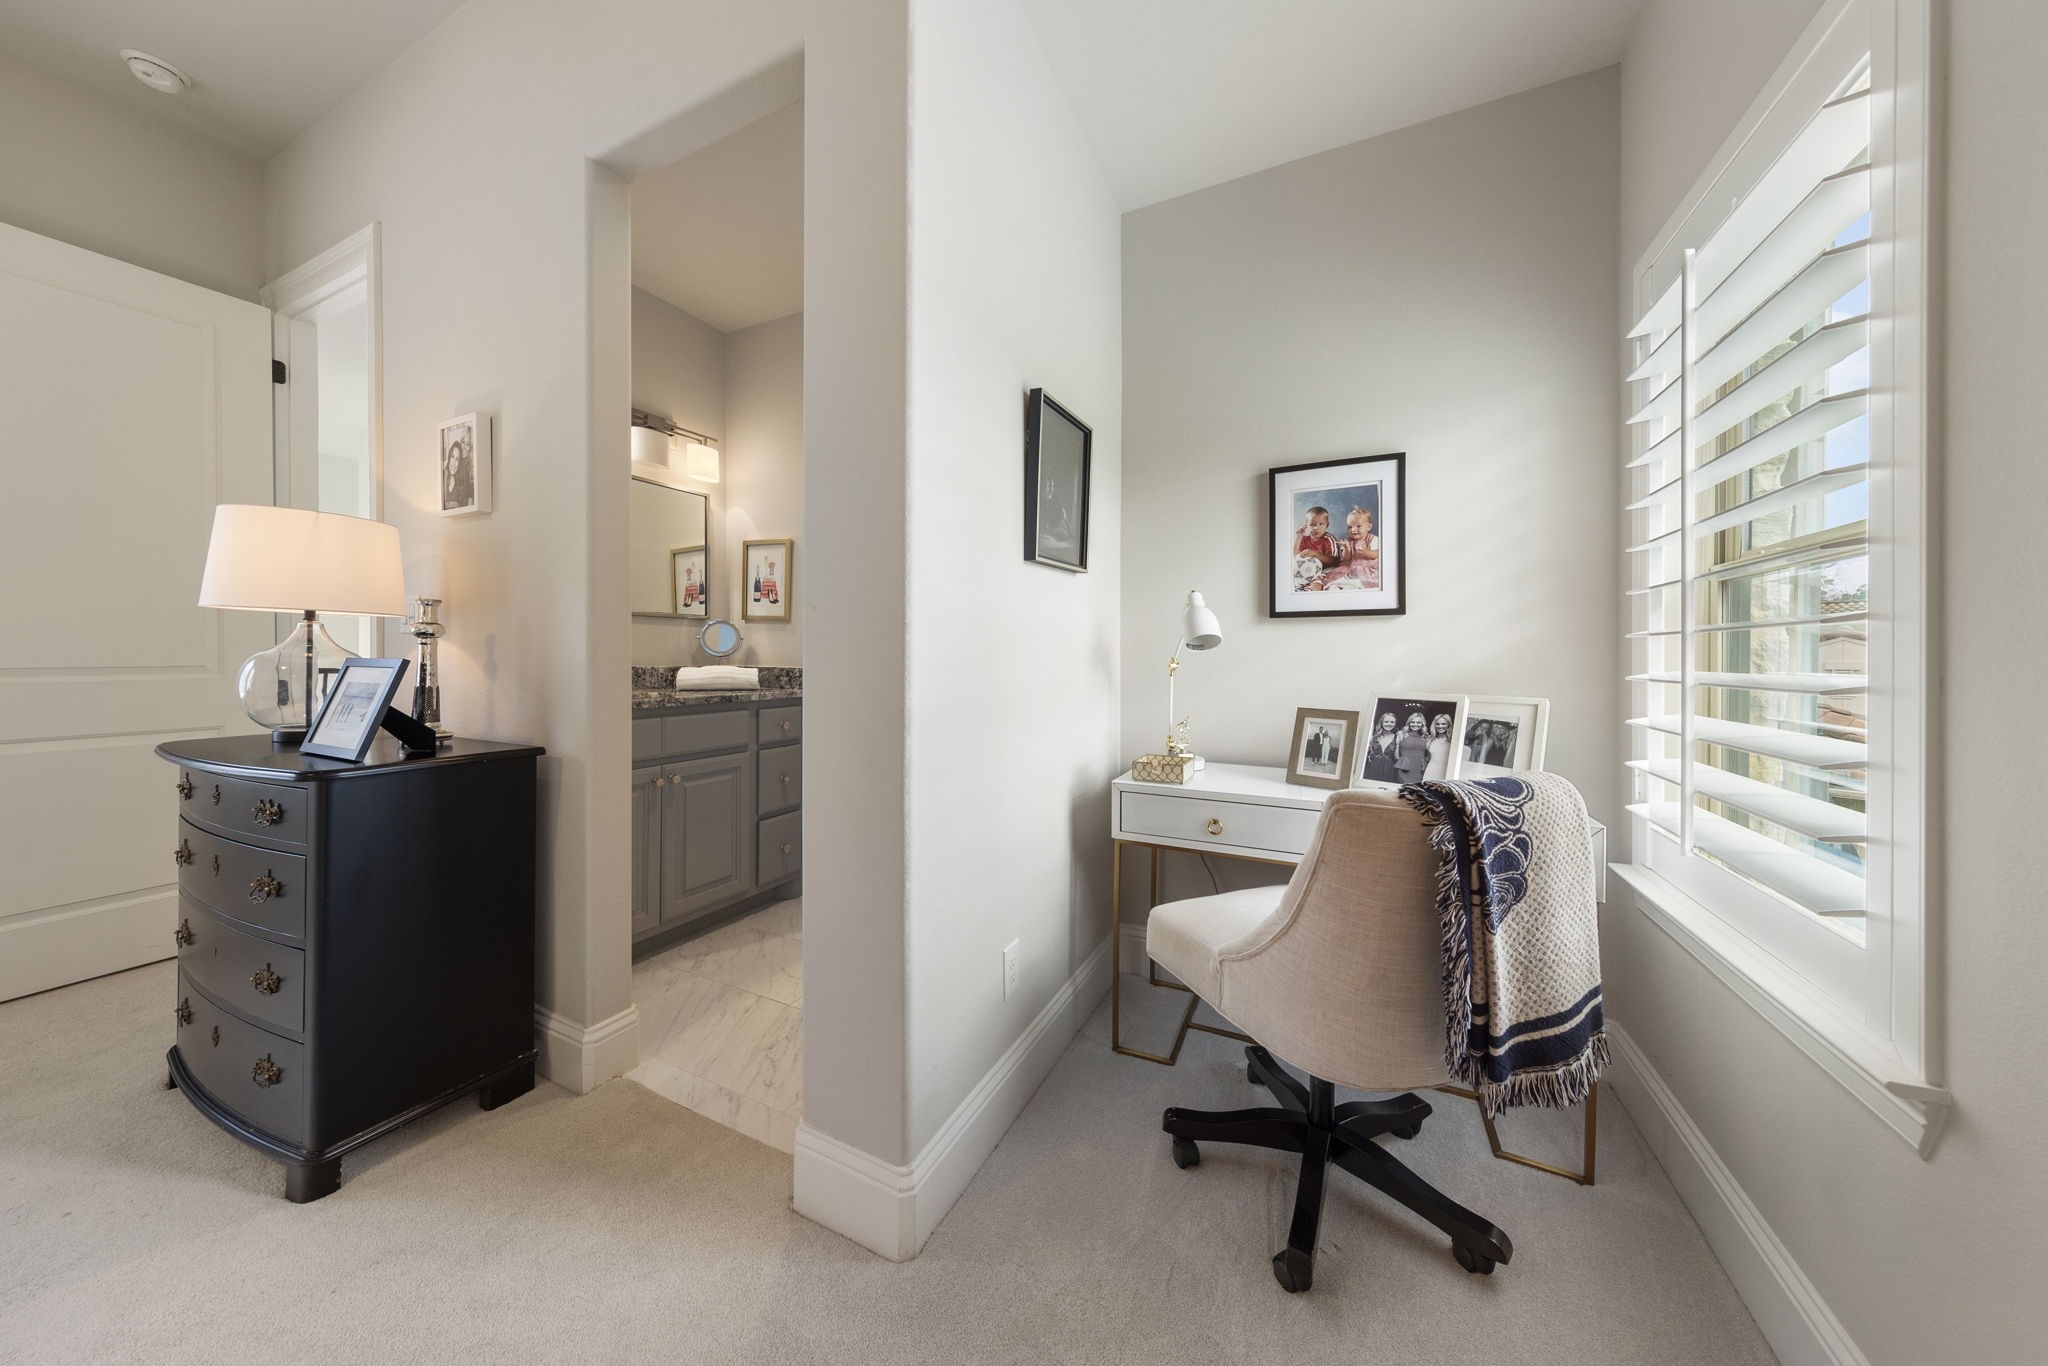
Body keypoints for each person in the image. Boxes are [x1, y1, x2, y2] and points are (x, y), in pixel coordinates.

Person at [1392, 712, 1433, 784]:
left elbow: (1428, 755)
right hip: (1404, 770)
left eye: (1418, 722)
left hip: (1420, 770)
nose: (1415, 724)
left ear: (1422, 724)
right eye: (1412, 722)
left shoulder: (1425, 736)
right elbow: (1396, 756)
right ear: (1409, 723)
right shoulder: (1401, 734)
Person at [1360, 712, 1401, 783]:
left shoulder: (1397, 737)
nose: (1389, 724)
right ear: (1381, 722)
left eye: (1392, 722)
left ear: (1395, 724)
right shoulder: (1373, 736)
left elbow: (1397, 757)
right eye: (1386, 721)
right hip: (1372, 766)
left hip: (1388, 768)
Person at [1424, 712, 1454, 780]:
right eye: (1437, 724)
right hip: (1430, 772)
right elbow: (1427, 757)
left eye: (1443, 724)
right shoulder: (1430, 740)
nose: (1440, 726)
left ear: (1448, 725)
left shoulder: (1453, 741)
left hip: (1446, 774)